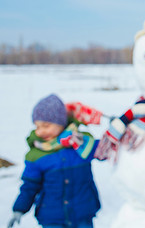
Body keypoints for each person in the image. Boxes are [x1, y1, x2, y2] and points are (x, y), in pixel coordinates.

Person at [8, 94, 101, 228]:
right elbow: (29, 186)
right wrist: (19, 209)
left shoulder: (80, 143)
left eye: (46, 126)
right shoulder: (36, 155)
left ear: (61, 123)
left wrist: (121, 128)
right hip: (52, 217)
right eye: (37, 126)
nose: (40, 131)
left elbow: (105, 149)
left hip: (82, 213)